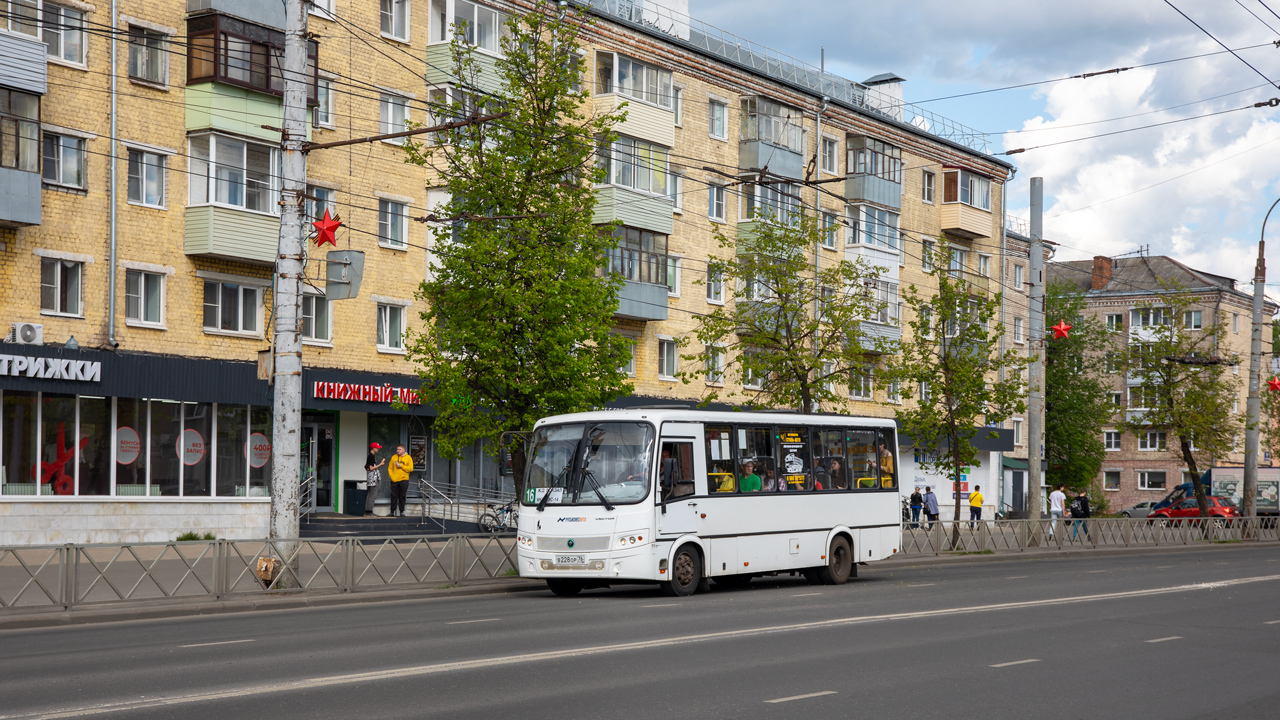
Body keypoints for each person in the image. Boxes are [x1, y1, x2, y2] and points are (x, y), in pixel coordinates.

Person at [387, 443, 414, 517]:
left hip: (404, 479)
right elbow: (390, 468)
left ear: (404, 450)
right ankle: (392, 511)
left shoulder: (408, 458)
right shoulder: (394, 457)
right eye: (397, 449)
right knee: (393, 495)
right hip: (394, 480)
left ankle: (401, 512)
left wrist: (401, 466)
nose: (398, 451)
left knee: (402, 496)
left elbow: (411, 469)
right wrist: (392, 477)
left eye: (399, 449)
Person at [364, 442, 385, 515]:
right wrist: (380, 464)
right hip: (373, 478)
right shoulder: (371, 456)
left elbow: (367, 466)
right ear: (373, 448)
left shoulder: (370, 456)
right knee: (373, 495)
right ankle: (369, 511)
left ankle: (368, 511)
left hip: (371, 478)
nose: (378, 449)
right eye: (377, 448)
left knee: (370, 494)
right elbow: (371, 468)